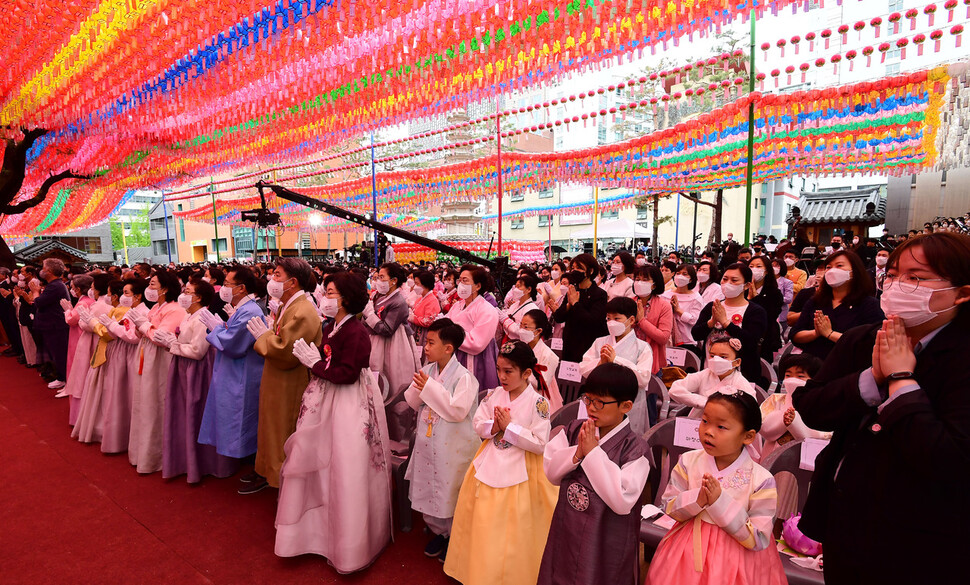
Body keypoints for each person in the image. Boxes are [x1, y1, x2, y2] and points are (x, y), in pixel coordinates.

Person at [791, 231, 970, 584]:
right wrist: (872, 377)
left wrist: (901, 379)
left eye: (916, 278)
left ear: (962, 293)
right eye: (895, 275)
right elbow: (812, 405)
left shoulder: (962, 356)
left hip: (929, 542)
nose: (899, 286)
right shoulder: (865, 338)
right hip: (848, 524)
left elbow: (949, 456)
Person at [281, 271, 392, 573]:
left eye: (330, 293)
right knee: (323, 461)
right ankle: (320, 534)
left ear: (345, 298)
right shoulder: (333, 326)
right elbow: (331, 362)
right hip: (328, 395)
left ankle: (349, 545)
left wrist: (314, 363)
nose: (325, 298)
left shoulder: (356, 331)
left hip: (347, 401)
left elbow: (346, 374)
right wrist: (316, 358)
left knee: (345, 462)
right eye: (326, 292)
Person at [444, 341, 558, 585]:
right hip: (490, 459)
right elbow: (478, 421)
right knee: (483, 521)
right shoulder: (496, 393)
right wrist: (492, 427)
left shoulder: (540, 403)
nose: (501, 376)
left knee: (513, 527)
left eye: (508, 371)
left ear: (527, 373)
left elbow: (539, 442)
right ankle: (478, 570)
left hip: (522, 469)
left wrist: (510, 428)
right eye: (499, 369)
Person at [646, 391, 786, 585]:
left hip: (737, 562)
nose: (709, 431)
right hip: (686, 552)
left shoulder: (761, 480)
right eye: (705, 421)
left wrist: (720, 502)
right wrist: (698, 499)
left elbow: (760, 538)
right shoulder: (689, 461)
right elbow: (669, 506)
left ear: (748, 436)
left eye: (721, 426)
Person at [537, 363, 650, 585]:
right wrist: (578, 452)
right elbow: (550, 473)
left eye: (600, 402)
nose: (591, 408)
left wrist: (592, 454)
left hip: (607, 538)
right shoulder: (574, 430)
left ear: (626, 406)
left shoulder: (636, 449)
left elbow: (622, 501)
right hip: (567, 527)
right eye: (588, 399)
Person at [403, 318, 481, 562]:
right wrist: (422, 388)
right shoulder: (429, 370)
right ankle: (439, 531)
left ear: (449, 348)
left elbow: (457, 411)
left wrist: (430, 389)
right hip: (428, 441)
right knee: (429, 485)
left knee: (450, 490)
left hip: (454, 447)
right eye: (426, 342)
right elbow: (412, 402)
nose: (426, 347)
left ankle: (453, 535)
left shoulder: (464, 378)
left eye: (431, 343)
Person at [246, 258, 324, 493]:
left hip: (289, 379)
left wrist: (263, 337)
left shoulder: (303, 311)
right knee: (271, 425)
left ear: (293, 282)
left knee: (283, 428)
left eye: (278, 275)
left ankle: (282, 480)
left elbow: (286, 351)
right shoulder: (287, 305)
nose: (272, 280)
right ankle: (268, 471)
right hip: (276, 378)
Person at [159, 278, 238, 483]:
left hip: (196, 372)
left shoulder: (203, 318)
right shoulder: (189, 317)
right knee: (185, 414)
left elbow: (197, 351)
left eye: (188, 291)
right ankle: (188, 461)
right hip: (184, 369)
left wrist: (172, 345)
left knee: (196, 413)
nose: (183, 295)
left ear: (199, 297)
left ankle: (202, 463)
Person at [197, 267, 265, 474]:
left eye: (227, 284)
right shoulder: (243, 309)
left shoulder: (251, 311)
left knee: (240, 418)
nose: (223, 289)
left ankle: (253, 467)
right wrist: (223, 326)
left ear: (242, 288)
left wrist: (218, 328)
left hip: (241, 373)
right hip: (232, 371)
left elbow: (232, 344)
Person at [128, 270, 188, 474]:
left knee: (157, 402)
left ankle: (160, 456)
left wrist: (144, 325)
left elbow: (161, 336)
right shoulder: (156, 306)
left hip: (160, 360)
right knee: (144, 403)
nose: (149, 288)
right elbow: (144, 333)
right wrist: (139, 326)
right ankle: (143, 451)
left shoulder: (175, 309)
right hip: (147, 356)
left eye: (153, 285)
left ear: (165, 288)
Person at [790, 250, 884, 361]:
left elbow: (870, 343)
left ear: (854, 271)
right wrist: (816, 333)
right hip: (812, 364)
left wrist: (830, 334)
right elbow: (795, 334)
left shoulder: (869, 304)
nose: (832, 271)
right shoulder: (816, 301)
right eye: (829, 267)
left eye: (839, 266)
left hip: (847, 366)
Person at [72, 279, 133, 447]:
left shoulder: (124, 311)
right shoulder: (117, 309)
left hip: (114, 352)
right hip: (107, 350)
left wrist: (92, 322)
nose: (106, 296)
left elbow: (107, 333)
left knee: (112, 392)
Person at [91, 279, 149, 453]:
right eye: (123, 292)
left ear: (138, 296)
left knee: (128, 394)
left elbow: (133, 337)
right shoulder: (128, 311)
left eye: (126, 293)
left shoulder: (143, 312)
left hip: (131, 354)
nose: (123, 297)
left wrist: (113, 328)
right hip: (120, 354)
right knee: (118, 394)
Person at [579, 298, 653, 435]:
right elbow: (583, 368)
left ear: (631, 320)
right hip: (598, 402)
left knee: (626, 443)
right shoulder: (599, 342)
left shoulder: (642, 348)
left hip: (628, 405)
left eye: (617, 318)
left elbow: (643, 378)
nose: (611, 323)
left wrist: (616, 360)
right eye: (608, 318)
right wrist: (600, 363)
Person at [692, 264, 769, 388]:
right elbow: (695, 334)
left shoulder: (755, 311)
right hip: (710, 372)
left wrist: (726, 323)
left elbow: (751, 341)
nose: (727, 283)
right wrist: (711, 323)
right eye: (725, 279)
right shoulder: (713, 306)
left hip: (741, 375)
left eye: (734, 280)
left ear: (747, 285)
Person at [758, 353, 830, 461]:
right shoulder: (775, 399)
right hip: (773, 454)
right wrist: (785, 415)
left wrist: (795, 422)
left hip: (806, 457)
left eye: (800, 376)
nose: (792, 380)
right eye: (788, 375)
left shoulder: (821, 403)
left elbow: (824, 434)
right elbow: (764, 429)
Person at [669, 334, 756, 418]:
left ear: (737, 362)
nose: (716, 360)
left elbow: (750, 410)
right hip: (698, 421)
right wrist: (705, 402)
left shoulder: (741, 383)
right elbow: (675, 390)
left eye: (723, 357)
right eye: (712, 356)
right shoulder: (705, 374)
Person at [64, 274, 112, 424]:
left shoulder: (95, 305)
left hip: (89, 341)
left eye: (93, 288)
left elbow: (80, 323)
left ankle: (81, 416)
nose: (92, 291)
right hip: (94, 340)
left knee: (82, 375)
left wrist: (68, 311)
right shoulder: (98, 304)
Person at [446, 265, 501, 391]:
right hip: (454, 354)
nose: (460, 284)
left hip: (477, 360)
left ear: (478, 286)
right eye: (459, 280)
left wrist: (450, 334)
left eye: (465, 281)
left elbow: (476, 344)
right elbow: (445, 324)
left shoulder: (487, 310)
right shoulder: (457, 306)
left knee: (474, 394)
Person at [553, 254, 608, 363]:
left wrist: (575, 303)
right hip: (570, 344)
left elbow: (593, 321)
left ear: (590, 271)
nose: (574, 271)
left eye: (579, 268)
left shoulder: (599, 294)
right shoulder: (572, 290)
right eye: (572, 268)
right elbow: (559, 317)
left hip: (588, 346)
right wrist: (568, 305)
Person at [33, 259, 71, 390]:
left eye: (43, 268)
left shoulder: (56, 286)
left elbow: (38, 302)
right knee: (56, 353)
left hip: (56, 326)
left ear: (49, 271)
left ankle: (65, 380)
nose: (41, 271)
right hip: (52, 326)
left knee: (60, 354)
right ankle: (61, 377)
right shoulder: (54, 285)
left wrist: (35, 292)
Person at [57, 274, 96, 400]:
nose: (71, 289)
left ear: (78, 289)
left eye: (72, 287)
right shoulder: (90, 301)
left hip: (79, 336)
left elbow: (71, 320)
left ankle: (74, 388)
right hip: (85, 336)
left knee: (75, 363)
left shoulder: (83, 303)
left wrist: (67, 310)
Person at [518, 309, 563, 412]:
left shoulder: (549, 355)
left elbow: (541, 385)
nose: (521, 330)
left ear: (538, 331)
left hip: (538, 397)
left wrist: (518, 375)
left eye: (526, 327)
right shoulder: (520, 347)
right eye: (520, 325)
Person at [632, 264, 672, 375]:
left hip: (653, 362)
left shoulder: (664, 306)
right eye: (637, 279)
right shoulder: (629, 303)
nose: (640, 283)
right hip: (628, 359)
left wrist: (641, 321)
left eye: (645, 280)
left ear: (654, 285)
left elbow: (664, 337)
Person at [746, 255, 783, 362]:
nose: (754, 269)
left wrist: (755, 298)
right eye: (751, 266)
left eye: (758, 266)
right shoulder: (742, 289)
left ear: (766, 271)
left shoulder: (774, 293)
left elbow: (770, 315)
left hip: (765, 339)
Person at [663, 264, 704, 347]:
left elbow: (695, 321)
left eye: (684, 274)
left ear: (691, 279)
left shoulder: (696, 298)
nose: (680, 276)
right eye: (678, 273)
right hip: (668, 339)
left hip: (687, 341)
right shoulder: (665, 295)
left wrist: (679, 311)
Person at [498, 273, 540, 344]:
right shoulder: (515, 305)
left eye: (519, 287)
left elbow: (525, 332)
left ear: (529, 289)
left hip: (519, 344)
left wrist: (506, 320)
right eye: (516, 287)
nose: (516, 290)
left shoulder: (532, 309)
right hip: (507, 339)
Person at [409, 270, 442, 358]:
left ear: (425, 285)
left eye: (417, 284)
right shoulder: (420, 299)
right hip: (416, 334)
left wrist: (413, 318)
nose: (415, 286)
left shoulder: (432, 300)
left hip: (424, 336)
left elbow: (428, 321)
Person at [771, 258, 794, 327]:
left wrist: (774, 298)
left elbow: (788, 299)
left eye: (777, 265)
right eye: (772, 265)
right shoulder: (765, 281)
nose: (774, 267)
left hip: (781, 314)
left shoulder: (787, 282)